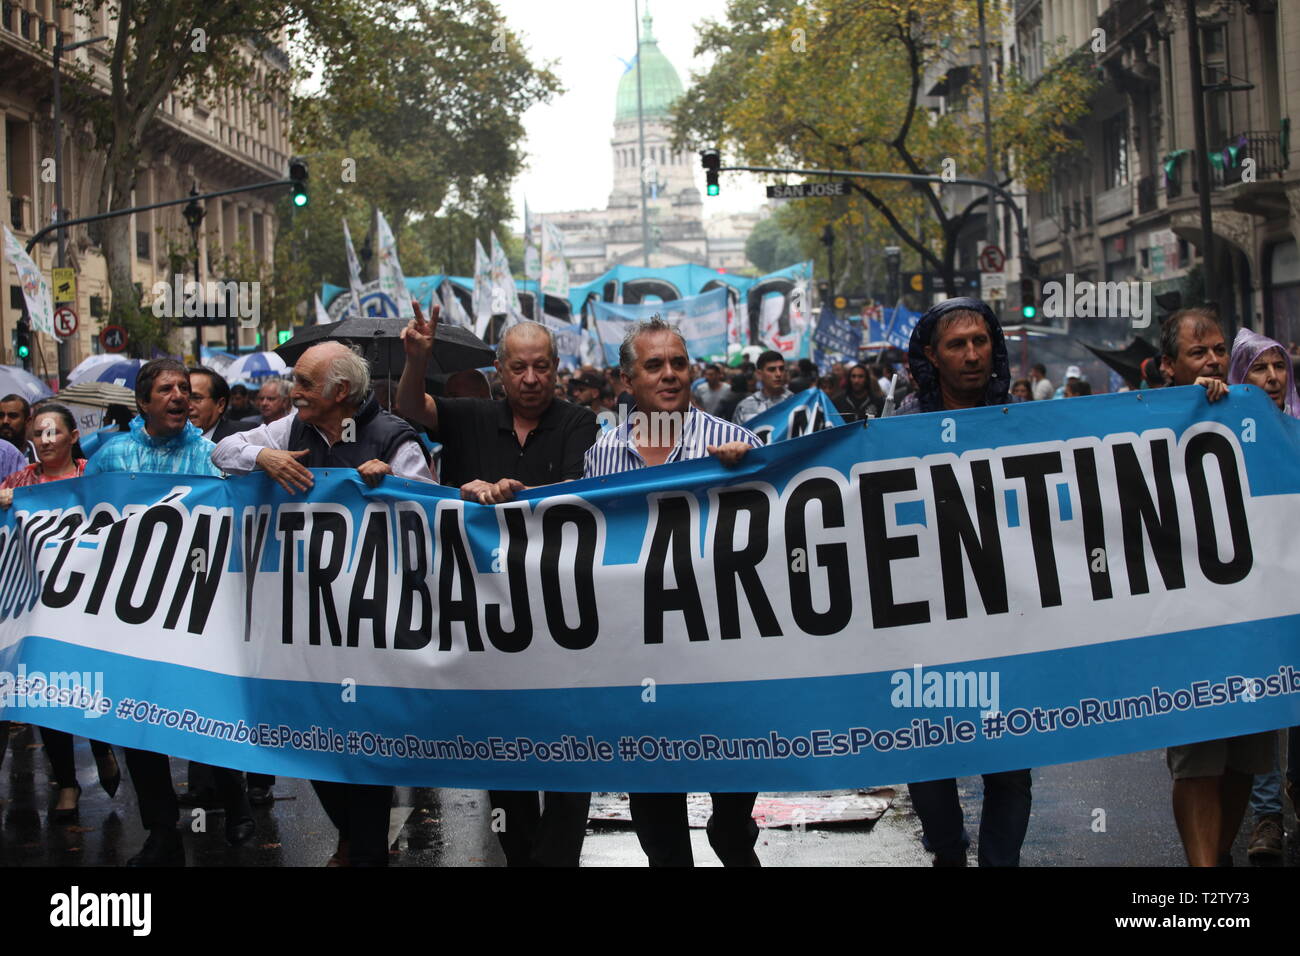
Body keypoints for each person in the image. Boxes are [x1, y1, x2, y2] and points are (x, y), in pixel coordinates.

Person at [394, 303, 597, 867]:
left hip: (559, 616)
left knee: (570, 754)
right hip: (486, 620)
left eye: (541, 367)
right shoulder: (470, 416)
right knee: (505, 755)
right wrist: (417, 359)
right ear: (499, 372)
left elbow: (583, 496)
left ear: (556, 368)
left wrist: (518, 495)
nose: (530, 379)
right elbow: (411, 407)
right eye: (518, 368)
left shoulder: (579, 423)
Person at [214, 341, 430, 866]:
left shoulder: (394, 438)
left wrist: (394, 485)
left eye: (305, 383)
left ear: (340, 391)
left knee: (366, 743)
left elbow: (431, 513)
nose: (294, 392)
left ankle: (368, 850)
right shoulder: (291, 429)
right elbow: (220, 452)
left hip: (370, 624)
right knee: (312, 737)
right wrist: (263, 456)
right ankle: (352, 837)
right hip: (306, 622)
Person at [584, 316, 761, 867]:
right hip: (642, 663)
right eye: (654, 365)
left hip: (720, 659)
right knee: (658, 825)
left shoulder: (735, 444)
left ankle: (732, 836)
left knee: (732, 819)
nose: (669, 374)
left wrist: (748, 475)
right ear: (628, 380)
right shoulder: (602, 455)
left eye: (678, 363)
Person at [83, 359, 254, 865]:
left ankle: (235, 798)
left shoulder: (210, 455)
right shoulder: (112, 456)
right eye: (166, 389)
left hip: (197, 605)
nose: (180, 396)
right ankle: (162, 832)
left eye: (185, 388)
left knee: (205, 706)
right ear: (143, 403)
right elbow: (78, 514)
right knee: (136, 718)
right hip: (130, 611)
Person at [896, 297, 1032, 866]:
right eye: (957, 344)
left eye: (981, 341)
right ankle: (947, 852)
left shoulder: (1022, 422)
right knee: (929, 755)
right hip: (928, 624)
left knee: (1012, 764)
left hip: (1007, 620)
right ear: (932, 355)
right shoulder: (898, 431)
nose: (973, 355)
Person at [1157, 308, 1268, 866]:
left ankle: (1218, 858)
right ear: (1168, 366)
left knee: (1245, 759)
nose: (1214, 361)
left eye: (1220, 350)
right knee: (1199, 761)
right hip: (1189, 629)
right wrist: (1189, 408)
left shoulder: (1253, 414)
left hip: (1251, 623)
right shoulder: (1146, 421)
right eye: (1198, 352)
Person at [0, 403, 120, 820]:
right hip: (40, 605)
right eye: (39, 433)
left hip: (91, 602)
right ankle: (67, 783)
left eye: (53, 432)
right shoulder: (20, 481)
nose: (46, 440)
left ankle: (102, 748)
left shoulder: (96, 476)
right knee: (46, 690)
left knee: (92, 686)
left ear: (73, 436)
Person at [1226, 327, 1300, 861]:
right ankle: (1268, 817)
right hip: (1251, 594)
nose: (1272, 378)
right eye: (1259, 368)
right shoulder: (1220, 434)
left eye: (1279, 367)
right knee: (1266, 702)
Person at [189, 367, 256, 443]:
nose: (188, 406)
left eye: (196, 398)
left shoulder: (246, 435)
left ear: (220, 404)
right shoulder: (178, 439)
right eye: (184, 398)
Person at [732, 350, 791, 424]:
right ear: (759, 374)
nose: (778, 374)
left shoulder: (795, 402)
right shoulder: (745, 407)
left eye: (781, 369)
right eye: (772, 370)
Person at [0, 393, 35, 464]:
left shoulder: (40, 457)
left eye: (13, 416)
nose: (5, 421)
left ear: (28, 421)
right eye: (1, 416)